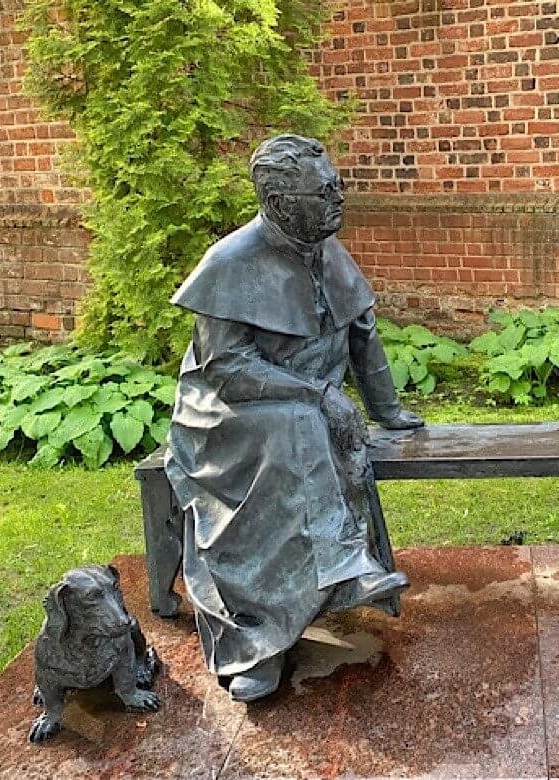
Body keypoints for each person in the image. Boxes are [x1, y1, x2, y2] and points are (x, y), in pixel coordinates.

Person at [165, 134, 423, 702]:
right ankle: (260, 639)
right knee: (298, 426)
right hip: (226, 417)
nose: (339, 199)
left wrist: (386, 410)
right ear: (280, 205)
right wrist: (316, 395)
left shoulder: (326, 248)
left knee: (306, 425)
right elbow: (226, 370)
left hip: (302, 405)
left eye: (337, 185)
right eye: (324, 191)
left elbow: (363, 333)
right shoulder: (229, 263)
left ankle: (334, 575)